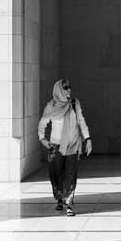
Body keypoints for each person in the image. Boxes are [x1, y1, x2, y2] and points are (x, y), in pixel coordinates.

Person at [38, 78, 91, 216]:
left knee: (71, 174)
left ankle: (69, 203)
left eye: (69, 87)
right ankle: (59, 198)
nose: (69, 90)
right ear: (58, 90)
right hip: (55, 146)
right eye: (65, 88)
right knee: (55, 175)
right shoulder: (51, 106)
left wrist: (88, 138)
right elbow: (42, 124)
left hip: (73, 144)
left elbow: (81, 121)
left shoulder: (74, 103)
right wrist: (42, 139)